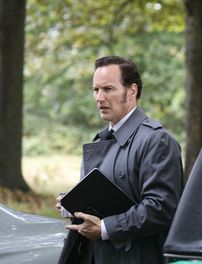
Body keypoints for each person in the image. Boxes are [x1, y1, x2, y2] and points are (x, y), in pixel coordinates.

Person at [57, 56, 184, 264]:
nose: (99, 97)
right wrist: (72, 203)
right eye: (96, 90)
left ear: (131, 91)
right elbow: (105, 194)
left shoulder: (157, 140)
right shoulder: (102, 139)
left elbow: (161, 207)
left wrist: (105, 229)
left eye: (108, 89)